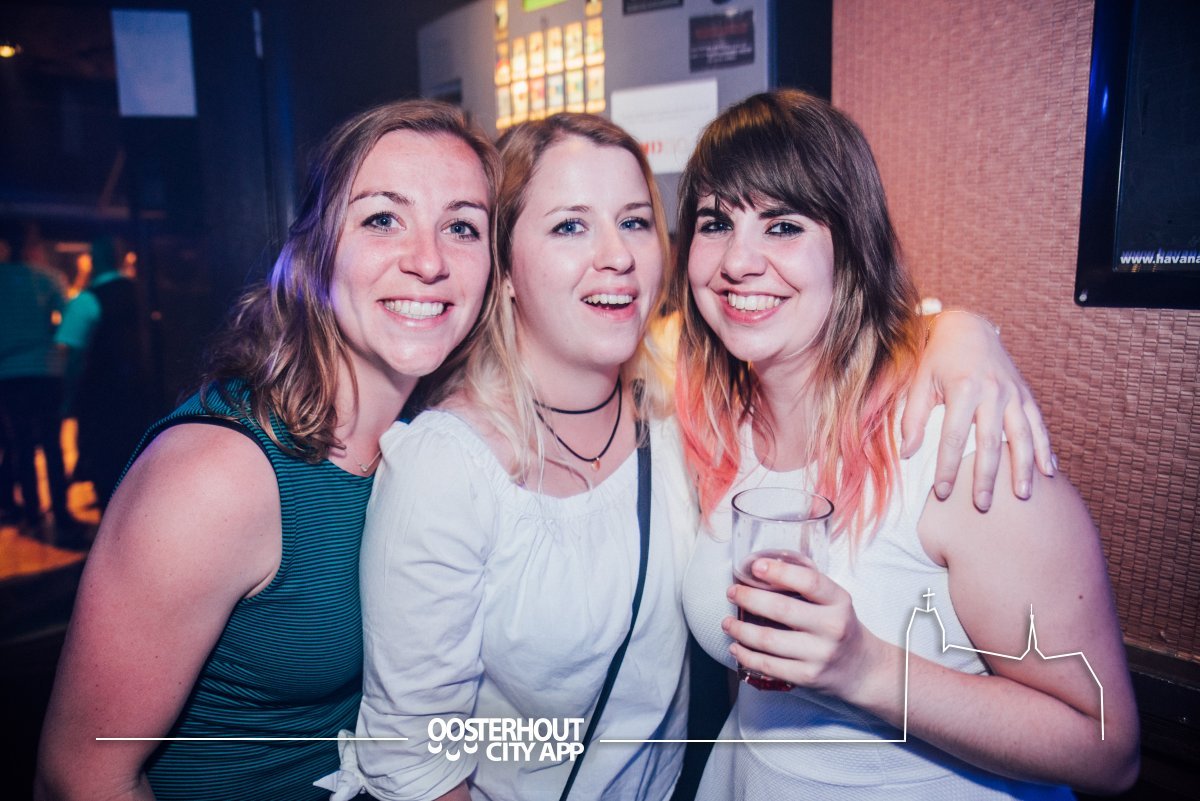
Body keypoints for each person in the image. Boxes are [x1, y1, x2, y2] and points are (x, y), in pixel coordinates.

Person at [326, 112, 1056, 801]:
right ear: (505, 269)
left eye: (635, 222)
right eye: (571, 225)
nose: (616, 256)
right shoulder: (446, 467)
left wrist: (960, 333)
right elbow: (414, 760)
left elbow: (816, 315)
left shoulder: (684, 399)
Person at [34, 99, 501, 801]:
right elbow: (79, 775)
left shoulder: (437, 449)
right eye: (382, 219)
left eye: (462, 227)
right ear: (316, 251)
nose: (429, 260)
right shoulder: (218, 476)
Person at [678, 89, 1139, 799]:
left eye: (783, 224)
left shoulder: (959, 444)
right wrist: (960, 324)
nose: (738, 260)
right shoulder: (717, 421)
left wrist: (864, 670)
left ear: (853, 245)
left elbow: (1107, 748)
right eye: (716, 222)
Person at [55, 234, 155, 512]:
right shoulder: (143, 292)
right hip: (143, 391)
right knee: (140, 459)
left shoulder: (87, 300)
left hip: (102, 397)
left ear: (93, 261)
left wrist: (68, 397)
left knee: (107, 465)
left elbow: (73, 352)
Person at [0, 232, 81, 547]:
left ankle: (33, 516)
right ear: (31, 246)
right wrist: (49, 335)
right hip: (46, 368)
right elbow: (70, 318)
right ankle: (61, 513)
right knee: (51, 444)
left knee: (21, 445)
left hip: (8, 372)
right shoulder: (48, 278)